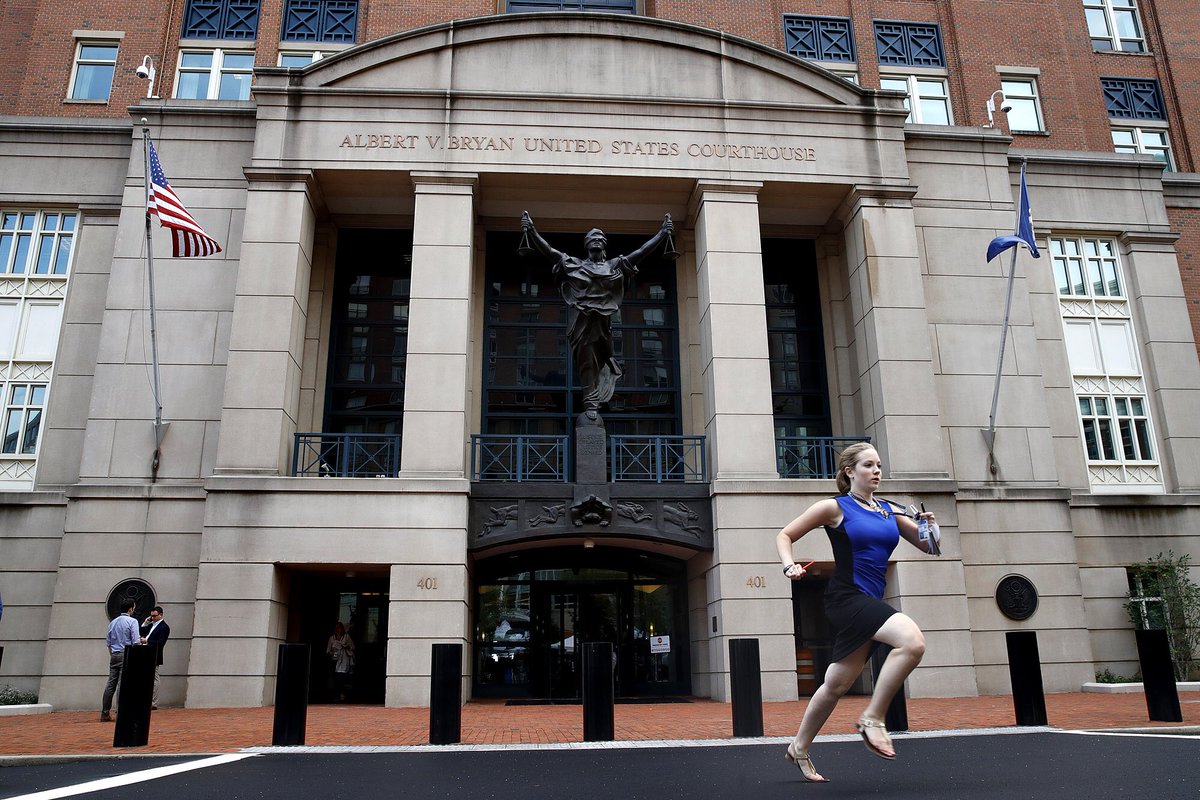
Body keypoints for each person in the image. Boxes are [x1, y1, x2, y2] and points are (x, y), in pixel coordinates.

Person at [774, 442, 939, 782]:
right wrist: (789, 566)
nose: (877, 471)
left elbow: (930, 547)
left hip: (869, 600)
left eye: (879, 465)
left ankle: (798, 748)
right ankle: (873, 719)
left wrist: (930, 526)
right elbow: (785, 535)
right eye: (868, 465)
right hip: (847, 598)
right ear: (850, 471)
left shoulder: (889, 511)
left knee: (837, 683)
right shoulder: (834, 507)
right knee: (912, 642)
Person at [520, 212, 674, 411]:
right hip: (582, 326)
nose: (596, 241)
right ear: (587, 245)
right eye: (592, 239)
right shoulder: (576, 265)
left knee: (603, 361)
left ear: (604, 245)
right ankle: (590, 404)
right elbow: (550, 251)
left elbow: (640, 252)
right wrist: (531, 231)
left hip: (603, 326)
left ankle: (600, 391)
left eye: (599, 239)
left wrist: (662, 234)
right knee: (586, 363)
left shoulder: (613, 265)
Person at [100, 599, 141, 722]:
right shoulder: (132, 621)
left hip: (114, 654)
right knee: (122, 685)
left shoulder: (113, 622)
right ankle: (120, 713)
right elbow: (135, 641)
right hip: (126, 654)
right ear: (130, 609)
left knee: (110, 684)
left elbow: (108, 642)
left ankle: (105, 712)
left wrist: (113, 654)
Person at [140, 606, 170, 710]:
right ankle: (145, 699)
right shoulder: (151, 625)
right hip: (145, 653)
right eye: (151, 616)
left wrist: (147, 641)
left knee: (154, 678)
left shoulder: (164, 627)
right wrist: (145, 623)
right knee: (145, 677)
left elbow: (161, 643)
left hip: (154, 654)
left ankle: (153, 702)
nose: (152, 618)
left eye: (154, 616)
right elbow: (141, 632)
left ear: (161, 615)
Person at [326, 621, 355, 702]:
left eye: (339, 627)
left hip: (344, 660)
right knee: (335, 678)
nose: (337, 629)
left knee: (342, 678)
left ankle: (342, 693)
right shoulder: (332, 638)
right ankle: (336, 694)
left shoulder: (346, 636)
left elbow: (352, 647)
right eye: (336, 628)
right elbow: (328, 650)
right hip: (335, 660)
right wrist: (332, 652)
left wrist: (346, 646)